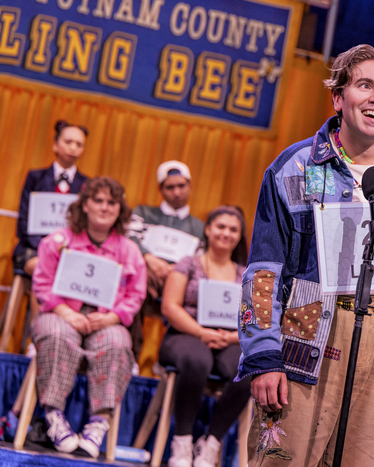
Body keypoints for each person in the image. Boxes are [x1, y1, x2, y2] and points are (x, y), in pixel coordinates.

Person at [237, 44, 374, 466]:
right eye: (365, 85)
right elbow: (264, 268)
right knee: (284, 458)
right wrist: (262, 353)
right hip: (308, 332)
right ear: (338, 97)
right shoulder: (294, 167)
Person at [31, 176, 147, 457]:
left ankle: (98, 422)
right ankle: (53, 417)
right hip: (61, 313)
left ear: (120, 210)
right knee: (56, 335)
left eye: (112, 202)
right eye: (98, 200)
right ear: (84, 205)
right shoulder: (58, 240)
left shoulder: (129, 250)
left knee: (118, 344)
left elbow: (136, 296)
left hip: (106, 320)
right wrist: (66, 313)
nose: (105, 207)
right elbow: (42, 285)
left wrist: (111, 318)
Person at [159, 205, 252, 467]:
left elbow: (252, 319)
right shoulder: (188, 264)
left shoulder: (246, 275)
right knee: (198, 361)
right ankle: (182, 442)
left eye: (233, 229)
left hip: (229, 339)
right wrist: (201, 332)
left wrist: (231, 338)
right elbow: (170, 306)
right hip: (186, 334)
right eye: (221, 227)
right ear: (208, 230)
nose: (226, 233)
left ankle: (211, 443)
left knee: (247, 367)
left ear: (239, 236)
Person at [127, 161, 205, 374]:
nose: (177, 192)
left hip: (179, 283)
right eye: (170, 187)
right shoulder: (143, 212)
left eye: (181, 185)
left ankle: (168, 358)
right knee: (138, 282)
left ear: (190, 186)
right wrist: (150, 259)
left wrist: (174, 272)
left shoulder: (199, 227)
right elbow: (129, 238)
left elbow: (200, 261)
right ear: (160, 189)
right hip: (145, 275)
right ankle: (131, 355)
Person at [14, 120, 89, 276]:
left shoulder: (88, 185)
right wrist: (47, 247)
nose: (73, 147)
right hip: (32, 247)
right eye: (68, 142)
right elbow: (24, 220)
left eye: (79, 144)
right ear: (55, 144)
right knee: (45, 268)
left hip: (70, 251)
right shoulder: (35, 177)